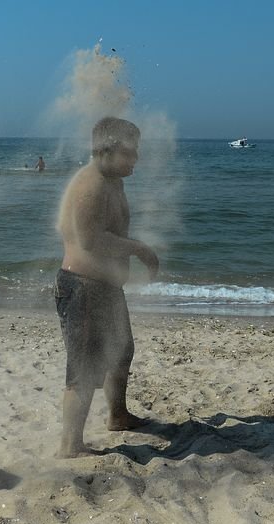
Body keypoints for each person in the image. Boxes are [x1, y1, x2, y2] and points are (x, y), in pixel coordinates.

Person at [53, 117, 159, 458]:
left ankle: (117, 415)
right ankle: (70, 446)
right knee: (83, 369)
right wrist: (139, 249)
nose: (135, 159)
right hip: (83, 288)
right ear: (106, 150)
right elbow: (90, 239)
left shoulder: (114, 181)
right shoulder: (91, 185)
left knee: (122, 351)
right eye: (129, 152)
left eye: (136, 151)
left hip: (105, 287)